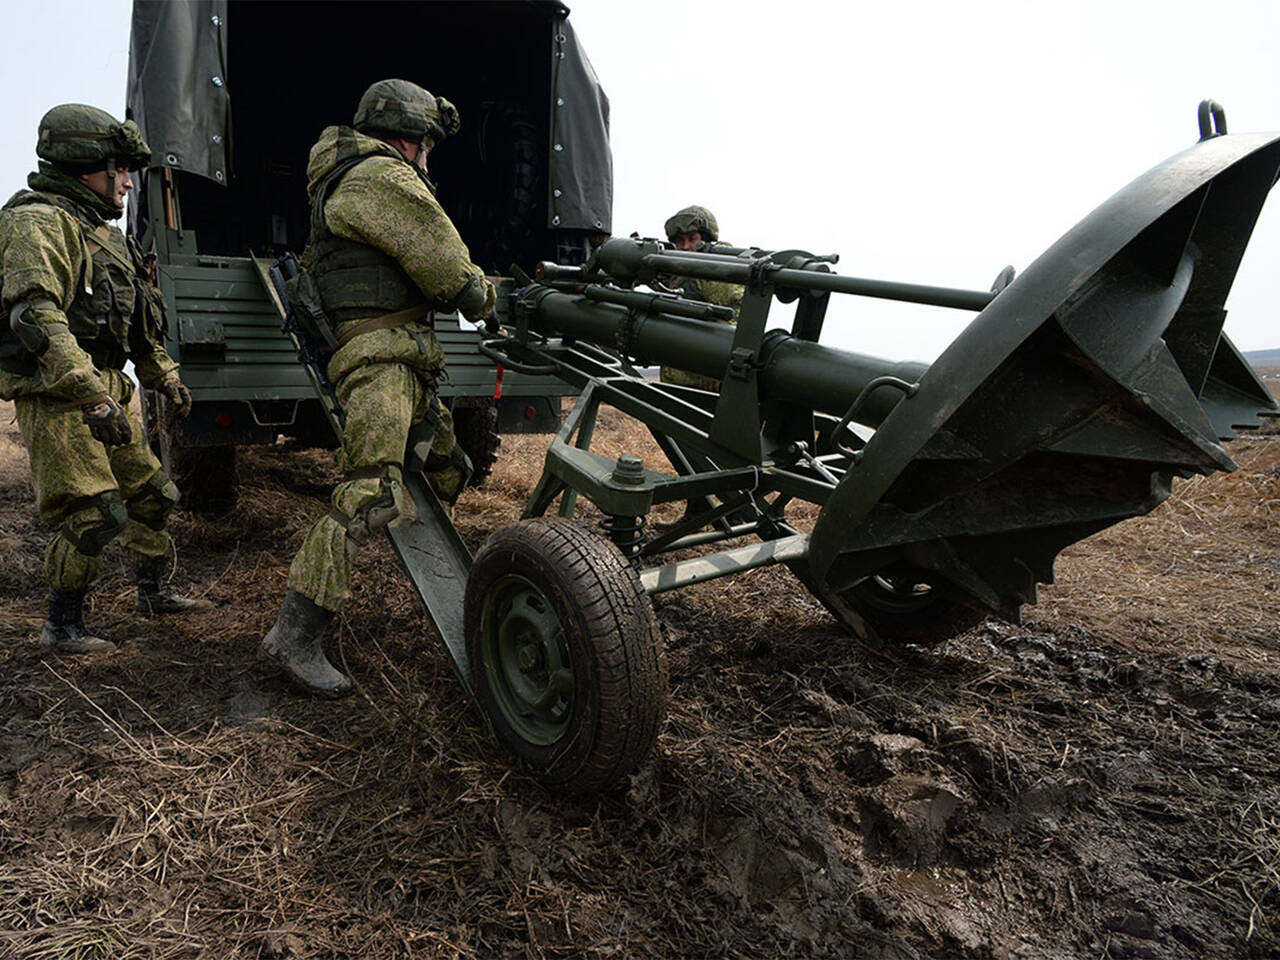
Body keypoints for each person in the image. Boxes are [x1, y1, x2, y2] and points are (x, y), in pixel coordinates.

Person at [261, 79, 496, 698]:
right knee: (368, 495)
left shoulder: (352, 178)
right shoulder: (378, 178)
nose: (429, 158)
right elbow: (449, 269)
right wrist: (490, 299)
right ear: (410, 138)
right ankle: (294, 635)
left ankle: (427, 579)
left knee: (449, 467)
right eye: (428, 145)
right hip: (379, 364)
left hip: (406, 361)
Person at [0, 104, 209, 655]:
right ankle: (61, 626)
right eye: (117, 168)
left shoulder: (105, 234)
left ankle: (153, 594)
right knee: (94, 513)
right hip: (62, 396)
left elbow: (138, 317)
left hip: (111, 389)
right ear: (82, 165)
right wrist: (89, 392)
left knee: (153, 496)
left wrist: (162, 371)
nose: (125, 182)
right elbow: (36, 317)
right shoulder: (37, 221)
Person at [659, 205, 744, 391]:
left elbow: (735, 322)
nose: (686, 247)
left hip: (705, 382)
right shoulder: (677, 272)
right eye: (680, 241)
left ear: (706, 240)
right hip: (682, 380)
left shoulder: (715, 269)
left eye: (692, 239)